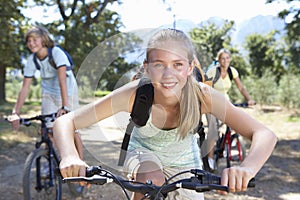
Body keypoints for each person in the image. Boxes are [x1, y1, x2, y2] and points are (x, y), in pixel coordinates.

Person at [53, 29, 277, 200]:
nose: (168, 74)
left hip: (186, 162)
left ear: (190, 68)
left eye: (177, 64)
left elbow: (264, 133)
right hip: (142, 154)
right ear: (147, 68)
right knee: (152, 179)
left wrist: (247, 168)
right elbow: (66, 121)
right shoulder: (134, 94)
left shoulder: (203, 96)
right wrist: (70, 155)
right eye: (159, 64)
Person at [9, 25, 83, 160]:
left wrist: (65, 106)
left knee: (71, 127)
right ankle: (55, 161)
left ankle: (80, 165)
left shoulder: (56, 53)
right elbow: (25, 87)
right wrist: (16, 113)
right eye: (29, 41)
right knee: (48, 129)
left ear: (43, 40)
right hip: (48, 92)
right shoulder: (32, 60)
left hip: (68, 90)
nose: (31, 43)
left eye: (35, 40)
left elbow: (62, 80)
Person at [205, 48, 256, 170]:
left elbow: (241, 87)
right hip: (212, 103)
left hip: (226, 102)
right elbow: (205, 89)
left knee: (236, 121)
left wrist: (249, 99)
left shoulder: (232, 71)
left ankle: (231, 140)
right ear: (219, 60)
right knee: (213, 130)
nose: (225, 60)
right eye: (223, 58)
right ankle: (210, 158)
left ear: (230, 59)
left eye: (228, 58)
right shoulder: (213, 72)